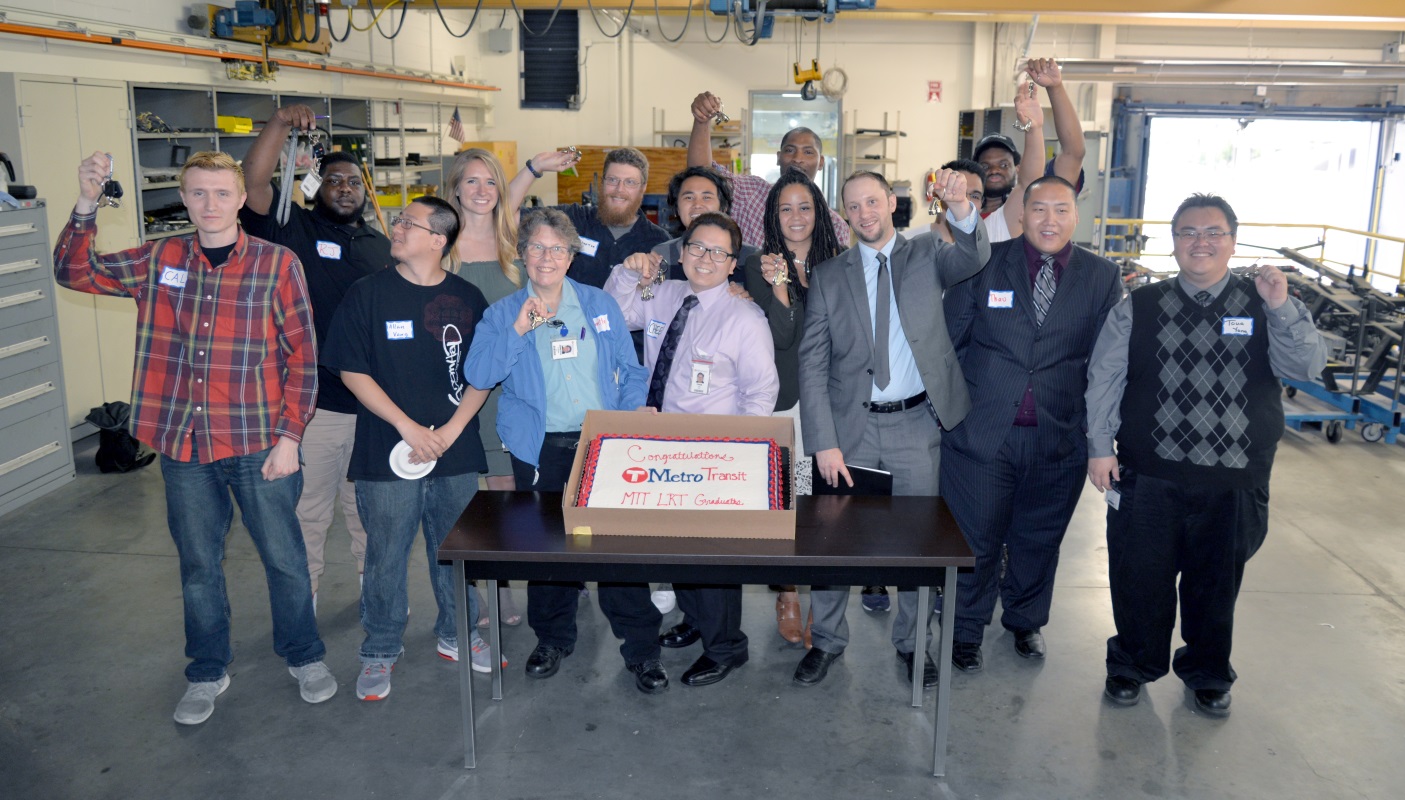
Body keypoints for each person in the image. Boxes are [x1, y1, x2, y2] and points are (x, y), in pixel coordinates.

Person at [54, 151, 336, 725]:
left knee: (285, 558)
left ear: (240, 198)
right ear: (184, 199)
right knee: (199, 565)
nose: (210, 204)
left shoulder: (276, 263)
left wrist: (290, 436)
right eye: (198, 193)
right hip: (183, 443)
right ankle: (207, 669)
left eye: (222, 193)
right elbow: (74, 272)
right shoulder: (160, 257)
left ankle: (304, 656)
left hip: (258, 440)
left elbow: (303, 354)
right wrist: (86, 202)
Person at [1085, 193, 1327, 716]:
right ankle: (1132, 663)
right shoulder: (1138, 306)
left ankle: (1208, 672)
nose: (1201, 242)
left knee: (1215, 586)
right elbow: (1104, 378)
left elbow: (1307, 366)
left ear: (1233, 241)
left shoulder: (1267, 300)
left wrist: (1282, 305)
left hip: (1234, 478)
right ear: (1173, 243)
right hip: (1149, 474)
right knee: (1139, 578)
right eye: (1188, 232)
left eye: (1213, 232)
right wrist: (1099, 448)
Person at [794, 169, 990, 689]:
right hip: (849, 430)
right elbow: (812, 363)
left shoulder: (929, 253)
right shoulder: (830, 275)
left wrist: (961, 207)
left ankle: (911, 645)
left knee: (916, 547)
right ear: (844, 214)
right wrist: (823, 443)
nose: (865, 214)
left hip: (915, 427)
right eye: (853, 206)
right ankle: (828, 641)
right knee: (830, 544)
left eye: (873, 202)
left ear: (891, 203)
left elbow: (975, 256)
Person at [463, 209, 667, 694]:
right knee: (549, 552)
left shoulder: (598, 305)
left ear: (572, 256)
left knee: (618, 552)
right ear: (522, 255)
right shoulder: (502, 312)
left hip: (602, 444)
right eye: (537, 247)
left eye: (558, 248)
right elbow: (478, 374)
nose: (547, 257)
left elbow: (631, 369)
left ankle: (641, 650)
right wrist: (518, 329)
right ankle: (553, 639)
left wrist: (630, 413)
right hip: (541, 450)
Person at [940, 176, 1123, 673]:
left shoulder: (1102, 277)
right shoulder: (985, 262)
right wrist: (950, 418)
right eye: (1038, 208)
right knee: (975, 538)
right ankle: (965, 628)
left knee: (1037, 536)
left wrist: (1097, 438)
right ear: (1023, 214)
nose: (1049, 220)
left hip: (1057, 435)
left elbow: (1107, 364)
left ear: (1076, 215)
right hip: (982, 435)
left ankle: (1025, 620)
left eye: (1060, 210)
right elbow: (950, 342)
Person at [321, 196, 495, 701]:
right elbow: (351, 368)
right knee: (385, 554)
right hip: (388, 447)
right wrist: (409, 428)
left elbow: (482, 373)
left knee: (458, 552)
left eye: (407, 223)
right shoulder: (367, 294)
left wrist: (453, 431)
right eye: (398, 220)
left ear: (438, 240)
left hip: (455, 451)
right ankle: (379, 650)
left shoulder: (467, 297)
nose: (395, 228)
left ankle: (459, 634)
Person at [607, 212, 779, 688]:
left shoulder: (744, 317)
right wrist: (626, 271)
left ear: (732, 265)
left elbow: (760, 393)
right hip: (660, 444)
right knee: (675, 546)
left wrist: (740, 456)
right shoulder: (662, 293)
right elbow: (616, 312)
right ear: (680, 253)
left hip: (713, 453)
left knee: (713, 556)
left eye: (719, 253)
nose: (706, 259)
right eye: (698, 248)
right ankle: (696, 620)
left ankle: (727, 647)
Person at [239, 103, 389, 606]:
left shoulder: (382, 244)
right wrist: (279, 124)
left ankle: (377, 596)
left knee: (369, 510)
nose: (345, 188)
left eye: (353, 181)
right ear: (315, 186)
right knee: (309, 512)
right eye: (334, 180)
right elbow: (254, 183)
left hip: (375, 408)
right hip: (316, 407)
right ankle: (304, 602)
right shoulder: (293, 230)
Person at [740, 169, 845, 646]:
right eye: (786, 208)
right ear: (772, 215)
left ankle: (822, 603)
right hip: (785, 408)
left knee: (823, 509)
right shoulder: (757, 266)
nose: (796, 217)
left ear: (819, 213)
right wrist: (781, 287)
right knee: (786, 503)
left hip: (833, 406)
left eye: (805, 207)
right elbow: (785, 335)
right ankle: (788, 594)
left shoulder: (840, 263)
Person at [446, 146, 529, 626]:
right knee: (458, 492)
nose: (481, 191)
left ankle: (502, 586)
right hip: (450, 385)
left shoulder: (514, 247)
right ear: (456, 187)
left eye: (490, 182)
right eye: (472, 181)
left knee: (503, 489)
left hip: (505, 388)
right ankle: (472, 587)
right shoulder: (441, 247)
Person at [686, 91, 850, 249]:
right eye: (790, 150)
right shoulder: (750, 193)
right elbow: (702, 176)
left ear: (820, 162)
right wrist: (702, 121)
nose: (797, 158)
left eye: (808, 152)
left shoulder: (835, 225)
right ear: (778, 157)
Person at [513, 146, 669, 289]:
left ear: (643, 188)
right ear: (602, 183)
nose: (619, 189)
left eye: (630, 182)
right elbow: (506, 216)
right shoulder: (573, 219)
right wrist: (535, 167)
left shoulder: (659, 242)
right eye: (612, 180)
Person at [975, 58, 1086, 243]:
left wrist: (1055, 88)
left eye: (1003, 164)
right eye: (985, 166)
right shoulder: (962, 220)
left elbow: (1073, 153)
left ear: (1018, 169)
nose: (994, 171)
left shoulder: (1038, 194)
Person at [906, 159, 987, 243]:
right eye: (958, 191)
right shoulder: (907, 244)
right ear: (937, 194)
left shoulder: (984, 250)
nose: (966, 201)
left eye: (975, 196)